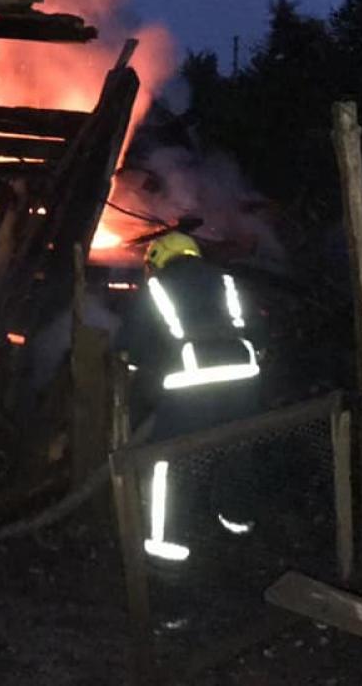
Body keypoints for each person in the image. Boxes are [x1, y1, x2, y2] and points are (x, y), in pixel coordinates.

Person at [119, 230, 266, 562]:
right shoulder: (227, 280)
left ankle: (165, 545)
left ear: (157, 259)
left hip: (192, 380)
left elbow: (132, 346)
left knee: (166, 460)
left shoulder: (156, 287)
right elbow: (258, 332)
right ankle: (238, 524)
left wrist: (139, 378)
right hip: (245, 378)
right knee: (237, 446)